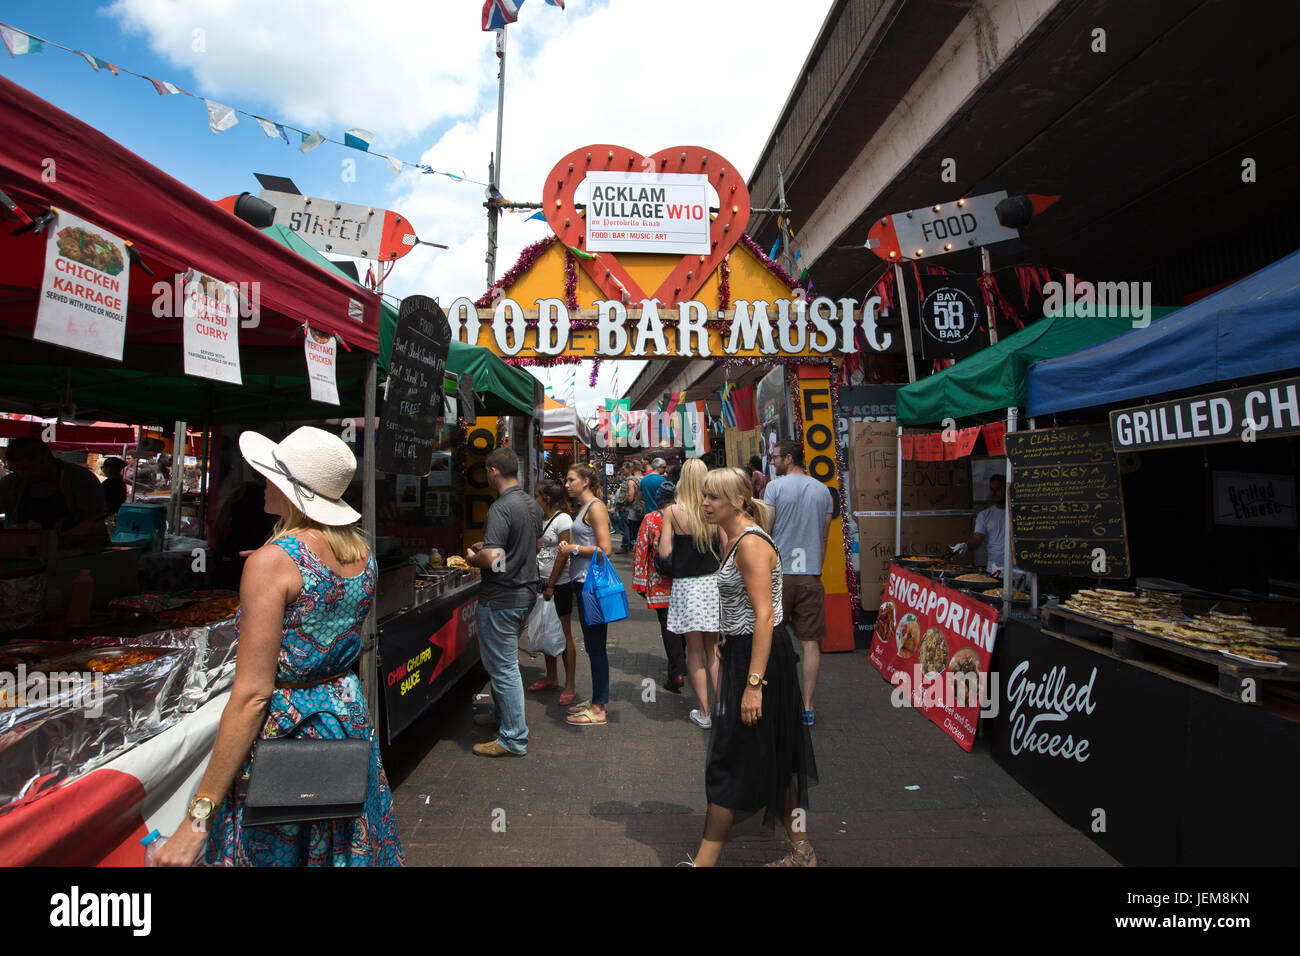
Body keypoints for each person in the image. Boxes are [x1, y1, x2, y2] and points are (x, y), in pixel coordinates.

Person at [151, 426, 403, 866]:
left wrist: (198, 818)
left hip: (288, 738)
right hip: (345, 719)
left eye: (271, 476)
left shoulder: (274, 562)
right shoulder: (361, 552)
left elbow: (252, 695)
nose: (263, 482)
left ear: (292, 491)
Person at [685, 466, 817, 867]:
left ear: (738, 501)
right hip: (749, 653)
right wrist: (729, 638)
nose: (704, 502)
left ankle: (703, 864)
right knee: (773, 755)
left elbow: (764, 616)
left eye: (713, 497)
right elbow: (748, 611)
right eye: (704, 495)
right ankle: (802, 852)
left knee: (729, 758)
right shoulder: (732, 539)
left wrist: (753, 684)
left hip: (762, 661)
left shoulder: (750, 544)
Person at [466, 447, 544, 758]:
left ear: (493, 471)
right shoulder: (531, 504)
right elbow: (530, 546)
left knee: (503, 667)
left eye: (486, 470)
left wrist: (475, 556)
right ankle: (500, 716)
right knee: (501, 663)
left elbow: (494, 557)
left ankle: (513, 738)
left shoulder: (500, 508)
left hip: (502, 597)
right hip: (524, 592)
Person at [764, 439, 835, 727]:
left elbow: (766, 531)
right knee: (810, 642)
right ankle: (807, 706)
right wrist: (815, 565)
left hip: (780, 573)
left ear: (789, 458)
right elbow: (824, 535)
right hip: (810, 574)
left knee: (770, 637)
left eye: (776, 457)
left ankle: (774, 700)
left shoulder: (774, 488)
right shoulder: (823, 491)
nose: (772, 461)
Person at [658, 459, 723, 729]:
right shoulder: (713, 510)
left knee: (694, 653)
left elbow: (664, 552)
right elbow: (728, 548)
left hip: (686, 587)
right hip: (711, 584)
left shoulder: (673, 511)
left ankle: (705, 712)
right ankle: (724, 708)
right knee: (714, 651)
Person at [559, 464, 613, 726]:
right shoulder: (584, 508)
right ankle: (596, 699)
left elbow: (605, 549)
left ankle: (600, 707)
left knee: (596, 648)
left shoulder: (595, 507)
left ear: (586, 481)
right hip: (581, 583)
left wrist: (573, 548)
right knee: (592, 647)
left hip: (591, 585)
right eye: (566, 480)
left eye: (571, 479)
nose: (566, 484)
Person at [0, 437, 107, 544]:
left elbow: (93, 522)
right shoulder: (11, 483)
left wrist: (56, 540)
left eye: (27, 468)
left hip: (77, 553)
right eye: (15, 470)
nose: (21, 474)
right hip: (23, 551)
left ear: (46, 459)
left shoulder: (80, 479)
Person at [633, 479, 686, 692]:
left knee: (668, 625)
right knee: (682, 623)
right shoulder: (686, 515)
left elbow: (641, 551)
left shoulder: (651, 518)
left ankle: (677, 671)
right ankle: (682, 663)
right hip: (684, 580)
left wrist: (639, 582)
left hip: (659, 582)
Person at [534, 480, 579, 706]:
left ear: (548, 499)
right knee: (545, 630)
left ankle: (569, 684)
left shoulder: (563, 519)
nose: (536, 500)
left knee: (563, 632)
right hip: (541, 583)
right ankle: (551, 676)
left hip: (558, 584)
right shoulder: (540, 519)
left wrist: (551, 583)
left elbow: (563, 554)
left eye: (538, 497)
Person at [952, 474, 1009, 573]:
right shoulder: (985, 515)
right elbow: (977, 539)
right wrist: (965, 545)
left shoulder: (1018, 512)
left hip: (1018, 569)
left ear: (1007, 489)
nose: (994, 493)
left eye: (998, 489)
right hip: (994, 568)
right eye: (992, 489)